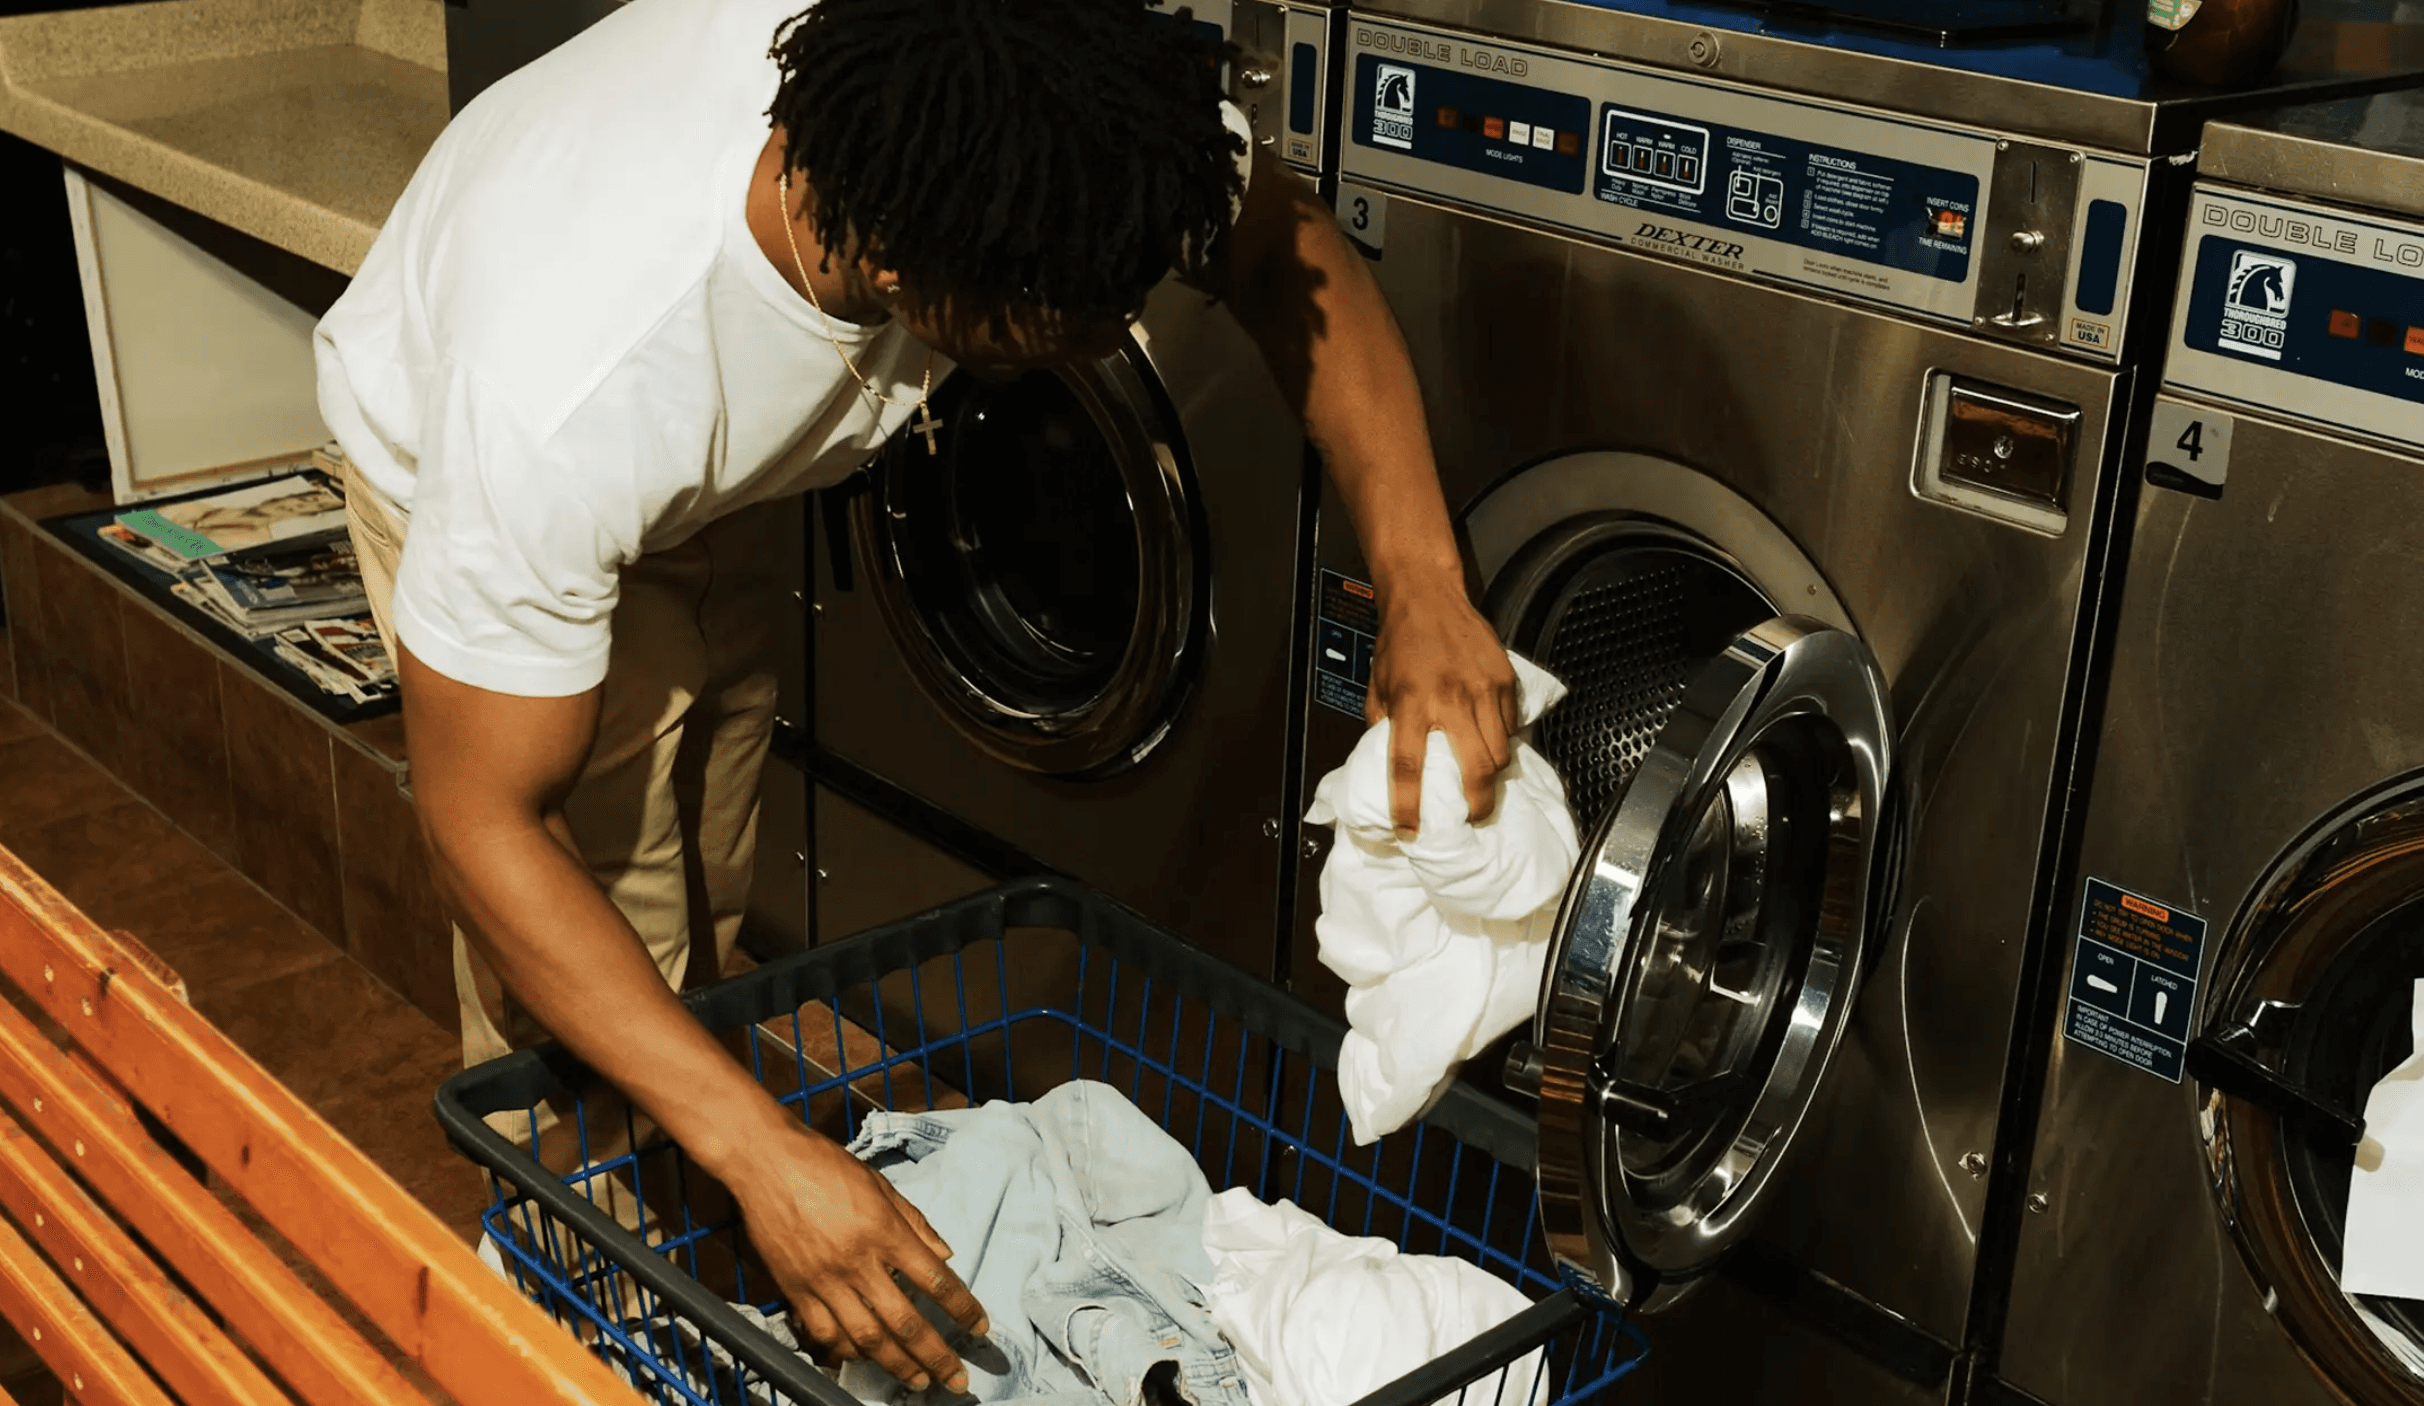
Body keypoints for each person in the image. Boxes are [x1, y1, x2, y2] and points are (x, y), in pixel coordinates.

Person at [314, 0, 1518, 1393]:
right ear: (889, 259)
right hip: (485, 452)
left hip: (718, 464)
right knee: (591, 992)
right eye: (1054, 324)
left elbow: (1279, 243)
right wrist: (765, 1154)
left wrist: (1423, 576)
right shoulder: (571, 388)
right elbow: (482, 818)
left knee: (691, 902)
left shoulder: (1032, 101)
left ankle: (721, 1281)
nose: (1106, 331)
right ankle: (567, 1333)